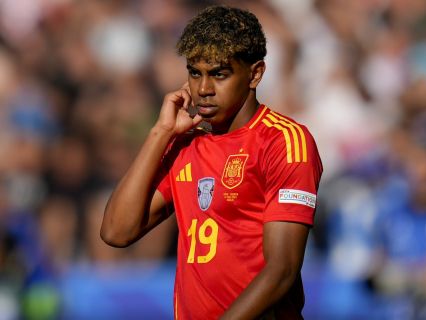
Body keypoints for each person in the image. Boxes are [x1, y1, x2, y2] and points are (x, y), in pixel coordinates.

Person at [100, 5, 323, 319]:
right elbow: (116, 232)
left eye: (219, 74)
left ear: (255, 74)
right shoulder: (185, 143)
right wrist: (160, 132)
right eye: (195, 73)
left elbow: (282, 271)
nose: (203, 89)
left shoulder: (284, 142)